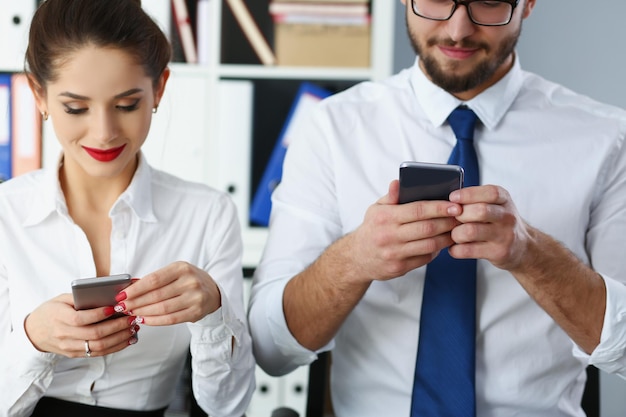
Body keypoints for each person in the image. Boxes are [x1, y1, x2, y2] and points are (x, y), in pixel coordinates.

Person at [247, 0, 626, 415]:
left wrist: (531, 255)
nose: (458, 29)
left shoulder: (606, 139)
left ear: (528, 4)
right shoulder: (331, 128)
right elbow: (270, 349)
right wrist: (354, 260)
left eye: (489, 2)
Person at [0, 1, 255, 416]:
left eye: (126, 105)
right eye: (76, 108)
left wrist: (213, 312)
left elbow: (228, 407)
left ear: (159, 89)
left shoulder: (208, 214)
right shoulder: (5, 215)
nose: (104, 134)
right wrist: (33, 338)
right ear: (38, 95)